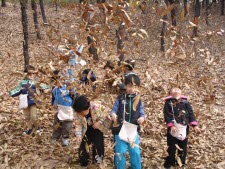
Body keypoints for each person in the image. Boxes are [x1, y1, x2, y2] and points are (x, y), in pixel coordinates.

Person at [110, 73, 146, 169]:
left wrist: (142, 118)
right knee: (120, 152)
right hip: (120, 129)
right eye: (129, 86)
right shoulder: (120, 98)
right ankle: (119, 167)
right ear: (125, 86)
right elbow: (114, 109)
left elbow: (142, 113)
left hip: (133, 129)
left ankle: (137, 167)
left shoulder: (139, 100)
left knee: (135, 152)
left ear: (138, 87)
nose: (132, 89)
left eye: (135, 86)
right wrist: (113, 114)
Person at [163, 88, 201, 169]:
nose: (176, 90)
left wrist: (194, 125)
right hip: (173, 129)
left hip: (184, 128)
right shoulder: (168, 103)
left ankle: (181, 162)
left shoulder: (185, 102)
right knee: (172, 147)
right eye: (173, 89)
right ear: (170, 93)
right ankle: (170, 161)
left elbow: (191, 114)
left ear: (181, 92)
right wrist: (171, 125)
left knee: (183, 147)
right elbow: (167, 115)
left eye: (178, 89)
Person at [73, 95, 110, 167]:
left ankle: (98, 161)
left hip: (97, 127)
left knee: (98, 144)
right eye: (79, 112)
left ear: (88, 108)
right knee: (83, 144)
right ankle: (84, 162)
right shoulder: (78, 113)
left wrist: (99, 122)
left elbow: (107, 113)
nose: (80, 114)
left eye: (81, 112)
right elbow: (78, 124)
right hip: (85, 128)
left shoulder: (96, 106)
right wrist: (78, 135)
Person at [8, 65, 44, 135]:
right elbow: (17, 90)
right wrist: (11, 93)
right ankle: (30, 128)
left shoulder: (36, 82)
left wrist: (41, 95)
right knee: (27, 117)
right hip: (25, 101)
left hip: (33, 101)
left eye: (33, 74)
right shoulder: (22, 82)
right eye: (29, 74)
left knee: (33, 116)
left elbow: (44, 89)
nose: (31, 75)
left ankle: (37, 127)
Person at [51, 70, 74, 147]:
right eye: (56, 79)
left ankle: (65, 138)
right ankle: (55, 137)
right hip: (59, 109)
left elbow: (74, 96)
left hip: (68, 109)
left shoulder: (68, 87)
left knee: (67, 125)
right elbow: (53, 99)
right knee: (57, 124)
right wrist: (53, 105)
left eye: (60, 78)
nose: (58, 81)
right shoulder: (54, 90)